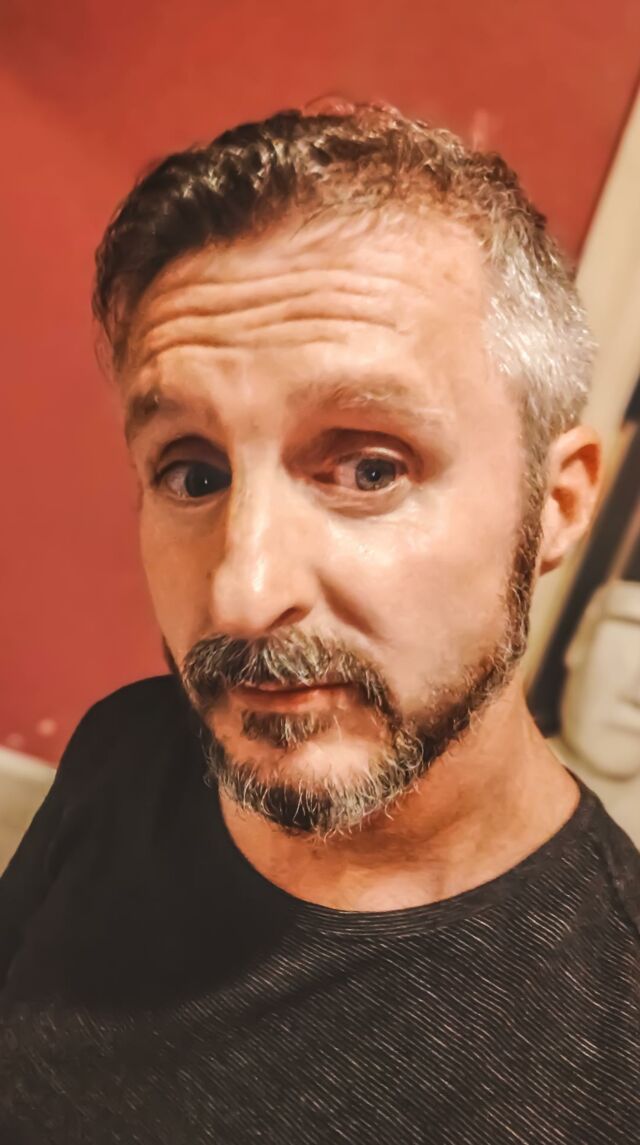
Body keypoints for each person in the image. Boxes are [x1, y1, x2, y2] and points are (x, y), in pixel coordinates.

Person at [1, 100, 638, 1145]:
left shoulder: (612, 1052)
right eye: (192, 473)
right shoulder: (129, 746)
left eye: (370, 467)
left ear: (556, 505)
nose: (241, 594)